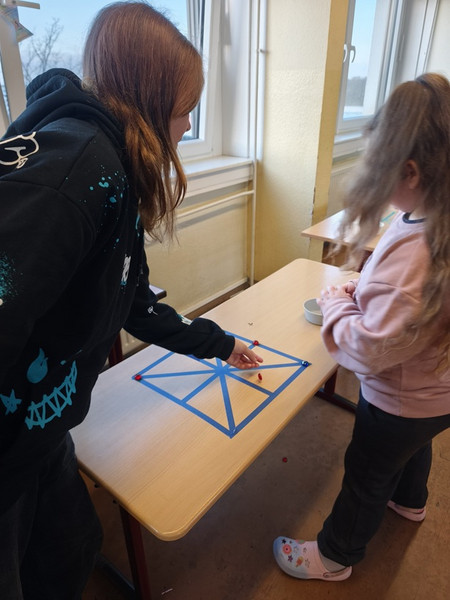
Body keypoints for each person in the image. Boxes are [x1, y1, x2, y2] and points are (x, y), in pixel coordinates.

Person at [0, 2, 262, 598]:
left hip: (44, 426)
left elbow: (134, 302)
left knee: (72, 547)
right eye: (185, 110)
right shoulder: (78, 171)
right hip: (8, 446)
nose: (188, 127)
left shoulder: (113, 169)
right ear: (149, 98)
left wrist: (219, 343)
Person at [273, 72, 450, 581]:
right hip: (434, 395)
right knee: (413, 449)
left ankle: (335, 556)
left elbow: (366, 351)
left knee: (368, 474)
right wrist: (367, 287)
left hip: (398, 399)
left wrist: (336, 304)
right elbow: (405, 305)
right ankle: (411, 502)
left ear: (410, 172)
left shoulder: (417, 253)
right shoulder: (431, 217)